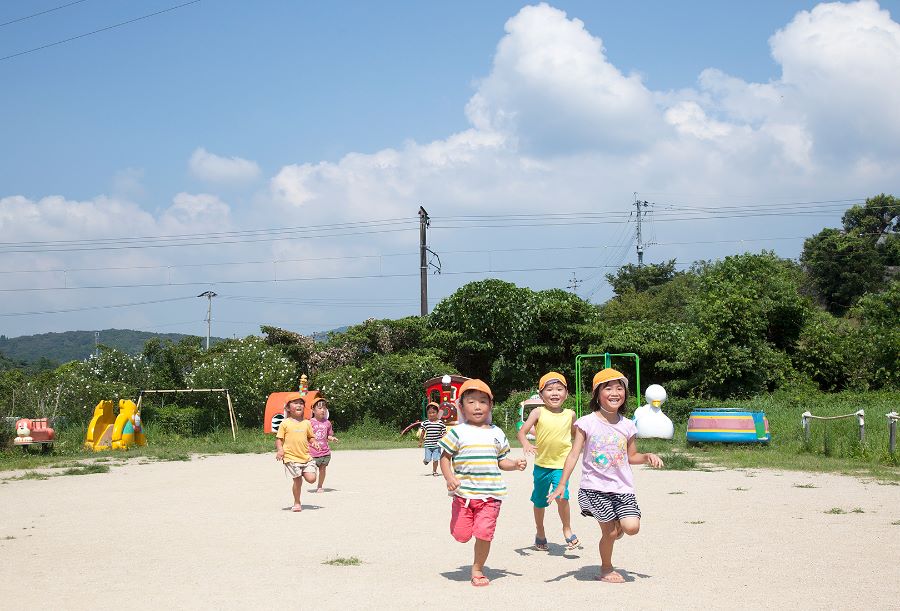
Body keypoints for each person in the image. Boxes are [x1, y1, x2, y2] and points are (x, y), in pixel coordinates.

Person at [548, 368, 664, 583]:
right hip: (594, 489)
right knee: (609, 533)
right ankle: (606, 568)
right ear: (597, 394)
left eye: (619, 388)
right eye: (608, 388)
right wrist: (561, 484)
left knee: (632, 528)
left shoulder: (628, 425)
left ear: (625, 394)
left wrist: (646, 456)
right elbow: (574, 455)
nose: (614, 392)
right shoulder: (586, 422)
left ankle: (618, 526)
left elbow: (632, 456)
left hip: (622, 489)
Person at [439, 379, 527, 587]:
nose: (477, 406)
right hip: (464, 496)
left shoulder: (497, 433)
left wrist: (513, 464)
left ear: (490, 405)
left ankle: (477, 569)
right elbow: (444, 457)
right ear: (461, 407)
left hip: (491, 496)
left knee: (484, 534)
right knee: (461, 535)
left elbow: (501, 461)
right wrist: (450, 477)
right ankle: (460, 527)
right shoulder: (457, 432)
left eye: (482, 401)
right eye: (471, 402)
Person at [517, 371, 578, 551]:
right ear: (541, 394)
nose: (554, 393)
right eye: (549, 389)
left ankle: (567, 528)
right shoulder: (538, 412)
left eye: (559, 389)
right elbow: (521, 431)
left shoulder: (570, 414)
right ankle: (540, 531)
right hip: (542, 466)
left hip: (561, 465)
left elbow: (576, 435)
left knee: (562, 497)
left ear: (566, 394)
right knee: (539, 501)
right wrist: (526, 443)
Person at [275, 397, 321, 512]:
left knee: (311, 479)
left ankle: (303, 473)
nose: (299, 405)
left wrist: (314, 442)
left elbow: (310, 437)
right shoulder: (285, 423)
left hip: (305, 457)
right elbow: (279, 439)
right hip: (291, 457)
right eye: (295, 403)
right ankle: (297, 502)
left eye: (301, 403)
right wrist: (280, 450)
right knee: (297, 480)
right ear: (288, 408)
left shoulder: (306, 423)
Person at [310, 398, 339, 493]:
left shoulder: (327, 423)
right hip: (312, 453)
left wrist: (332, 438)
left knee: (322, 469)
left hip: (325, 452)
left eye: (324, 408)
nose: (323, 410)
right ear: (313, 410)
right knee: (311, 472)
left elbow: (328, 436)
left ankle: (320, 486)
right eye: (319, 408)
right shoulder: (309, 423)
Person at [418, 402, 446, 476]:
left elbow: (444, 433)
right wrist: (420, 442)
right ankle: (426, 460)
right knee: (428, 459)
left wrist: (444, 440)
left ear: (437, 413)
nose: (431, 414)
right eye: (429, 413)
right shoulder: (426, 423)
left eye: (433, 412)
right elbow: (423, 433)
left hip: (437, 445)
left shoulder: (441, 423)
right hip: (428, 445)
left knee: (436, 459)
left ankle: (434, 471)